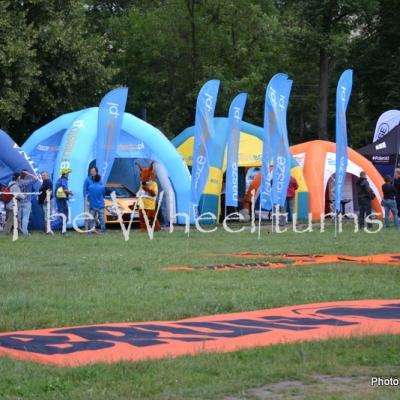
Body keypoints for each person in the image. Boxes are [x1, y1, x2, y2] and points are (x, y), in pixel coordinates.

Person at [51, 168, 73, 234]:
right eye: (68, 173)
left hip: (59, 200)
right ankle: (50, 227)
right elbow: (65, 190)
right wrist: (71, 193)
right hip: (62, 200)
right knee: (63, 216)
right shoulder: (64, 180)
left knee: (62, 216)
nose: (69, 174)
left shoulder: (59, 180)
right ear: (65, 173)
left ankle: (63, 231)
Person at [18, 170, 38, 235]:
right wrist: (29, 174)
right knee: (25, 217)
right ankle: (25, 232)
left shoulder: (17, 182)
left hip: (19, 201)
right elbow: (36, 179)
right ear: (26, 175)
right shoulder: (27, 182)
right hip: (27, 201)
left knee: (19, 217)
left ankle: (19, 230)